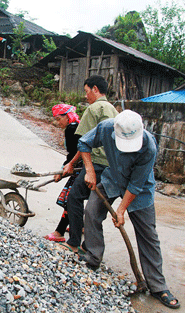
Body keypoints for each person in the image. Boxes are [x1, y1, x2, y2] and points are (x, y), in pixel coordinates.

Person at [78, 110, 180, 309]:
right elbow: (84, 143)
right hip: (112, 178)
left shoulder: (149, 146)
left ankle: (158, 286)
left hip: (139, 190)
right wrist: (89, 170)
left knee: (148, 234)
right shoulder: (107, 127)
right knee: (91, 212)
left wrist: (121, 210)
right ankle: (93, 256)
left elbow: (135, 185)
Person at [44, 75, 118, 251]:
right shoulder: (114, 110)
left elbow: (84, 143)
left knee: (74, 198)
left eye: (86, 91)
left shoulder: (94, 110)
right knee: (95, 207)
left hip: (96, 163)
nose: (85, 96)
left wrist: (71, 164)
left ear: (95, 89)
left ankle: (74, 243)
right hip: (111, 165)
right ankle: (88, 247)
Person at [43, 103, 81, 242]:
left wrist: (62, 170)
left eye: (59, 119)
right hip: (83, 165)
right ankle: (79, 225)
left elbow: (73, 154)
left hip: (79, 167)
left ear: (67, 116)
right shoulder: (79, 124)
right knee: (78, 197)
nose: (58, 123)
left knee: (70, 199)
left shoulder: (71, 129)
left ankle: (59, 232)